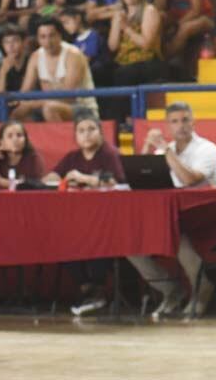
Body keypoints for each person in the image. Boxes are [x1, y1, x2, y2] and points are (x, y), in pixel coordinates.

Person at [128, 102, 216, 318]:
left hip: (206, 214)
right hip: (168, 215)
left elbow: (189, 179)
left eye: (185, 120)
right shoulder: (164, 149)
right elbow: (139, 180)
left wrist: (167, 151)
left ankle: (202, 290)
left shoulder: (207, 148)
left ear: (193, 121)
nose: (181, 126)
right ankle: (171, 290)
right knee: (130, 242)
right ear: (168, 126)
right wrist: (146, 148)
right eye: (175, 121)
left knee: (174, 232)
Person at [42, 110, 124, 316]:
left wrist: (84, 178)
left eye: (91, 129)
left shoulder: (110, 154)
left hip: (107, 222)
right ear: (75, 136)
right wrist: (59, 180)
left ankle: (97, 290)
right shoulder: (72, 157)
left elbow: (118, 182)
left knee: (94, 241)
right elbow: (49, 178)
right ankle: (89, 289)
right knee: (61, 241)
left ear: (101, 132)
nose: (86, 134)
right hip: (77, 220)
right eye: (81, 131)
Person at [15, 17, 98, 121]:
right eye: (43, 37)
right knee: (17, 112)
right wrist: (16, 103)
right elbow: (24, 93)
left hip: (82, 109)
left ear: (60, 35)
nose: (48, 41)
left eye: (51, 36)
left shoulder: (73, 55)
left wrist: (34, 104)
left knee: (49, 108)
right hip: (46, 106)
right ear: (38, 39)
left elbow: (68, 96)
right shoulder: (35, 57)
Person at [109, 0, 166, 86]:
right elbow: (112, 46)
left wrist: (126, 28)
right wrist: (117, 23)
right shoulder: (120, 13)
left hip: (146, 61)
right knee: (100, 71)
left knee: (124, 74)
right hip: (123, 61)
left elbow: (146, 44)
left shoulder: (149, 10)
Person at [0, 119, 44, 188]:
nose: (15, 139)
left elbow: (35, 185)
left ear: (25, 140)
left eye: (19, 135)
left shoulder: (33, 159)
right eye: (10, 136)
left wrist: (3, 182)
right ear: (2, 141)